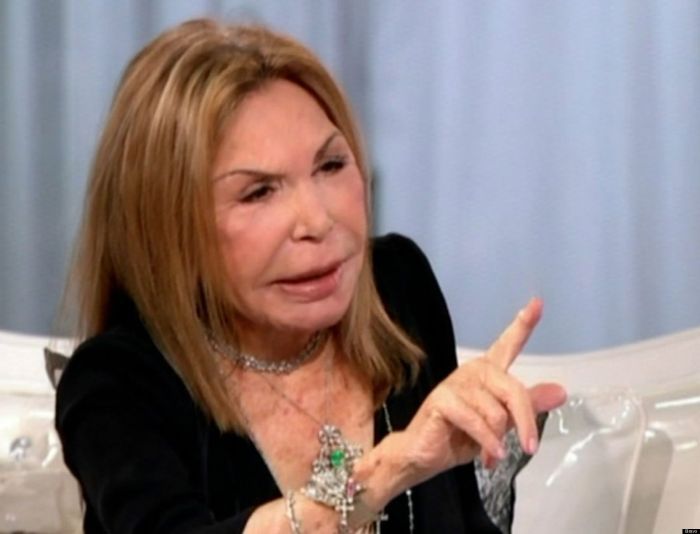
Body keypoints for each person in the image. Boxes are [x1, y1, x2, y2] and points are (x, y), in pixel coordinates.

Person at [55, 18, 566, 534]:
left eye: (330, 166)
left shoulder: (398, 288)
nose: (318, 221)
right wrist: (388, 473)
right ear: (168, 228)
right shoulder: (116, 382)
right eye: (258, 192)